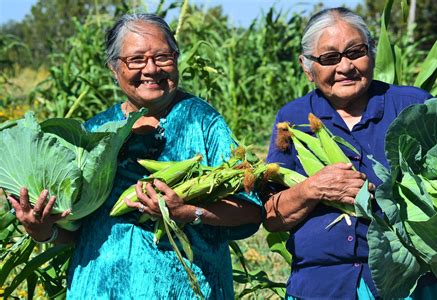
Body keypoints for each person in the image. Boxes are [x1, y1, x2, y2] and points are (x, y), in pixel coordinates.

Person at [7, 13, 262, 299]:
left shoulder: (203, 122)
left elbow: (251, 210)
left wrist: (188, 213)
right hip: (98, 288)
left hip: (188, 291)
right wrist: (43, 230)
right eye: (136, 60)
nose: (151, 69)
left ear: (177, 59)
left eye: (163, 57)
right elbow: (76, 229)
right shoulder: (94, 133)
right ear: (114, 68)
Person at [263, 7, 437, 300]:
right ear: (306, 66)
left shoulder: (413, 107)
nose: (346, 66)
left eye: (355, 52)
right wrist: (313, 189)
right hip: (323, 288)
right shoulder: (292, 119)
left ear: (372, 53)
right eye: (329, 58)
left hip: (414, 285)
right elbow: (272, 216)